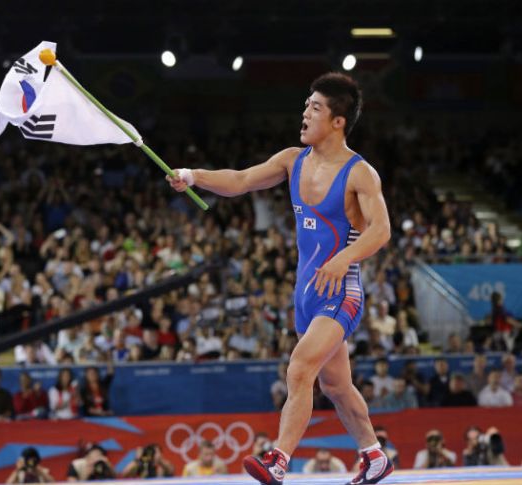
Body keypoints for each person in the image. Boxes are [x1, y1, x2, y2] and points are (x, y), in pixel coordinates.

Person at [168, 72, 393, 485]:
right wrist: (193, 175)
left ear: (338, 121)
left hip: (340, 292)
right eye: (306, 105)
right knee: (337, 385)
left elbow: (381, 231)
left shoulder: (360, 174)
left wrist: (344, 259)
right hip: (306, 294)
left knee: (300, 368)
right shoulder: (293, 160)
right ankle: (374, 455)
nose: (304, 113)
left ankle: (278, 459)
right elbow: (240, 180)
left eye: (315, 107)